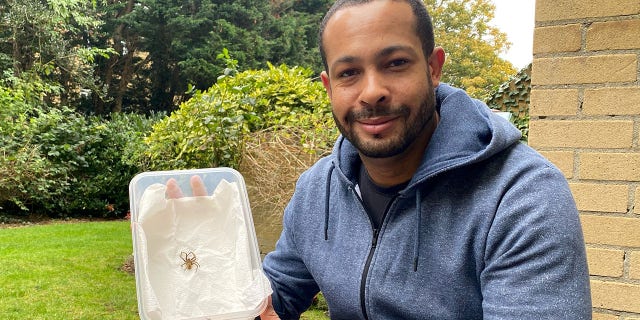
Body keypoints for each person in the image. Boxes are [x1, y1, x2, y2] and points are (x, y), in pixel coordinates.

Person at [257, 0, 592, 319]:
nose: (372, 91)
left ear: (433, 68)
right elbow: (273, 298)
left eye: (396, 63)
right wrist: (216, 243)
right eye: (349, 72)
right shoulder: (318, 189)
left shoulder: (523, 199)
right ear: (329, 87)